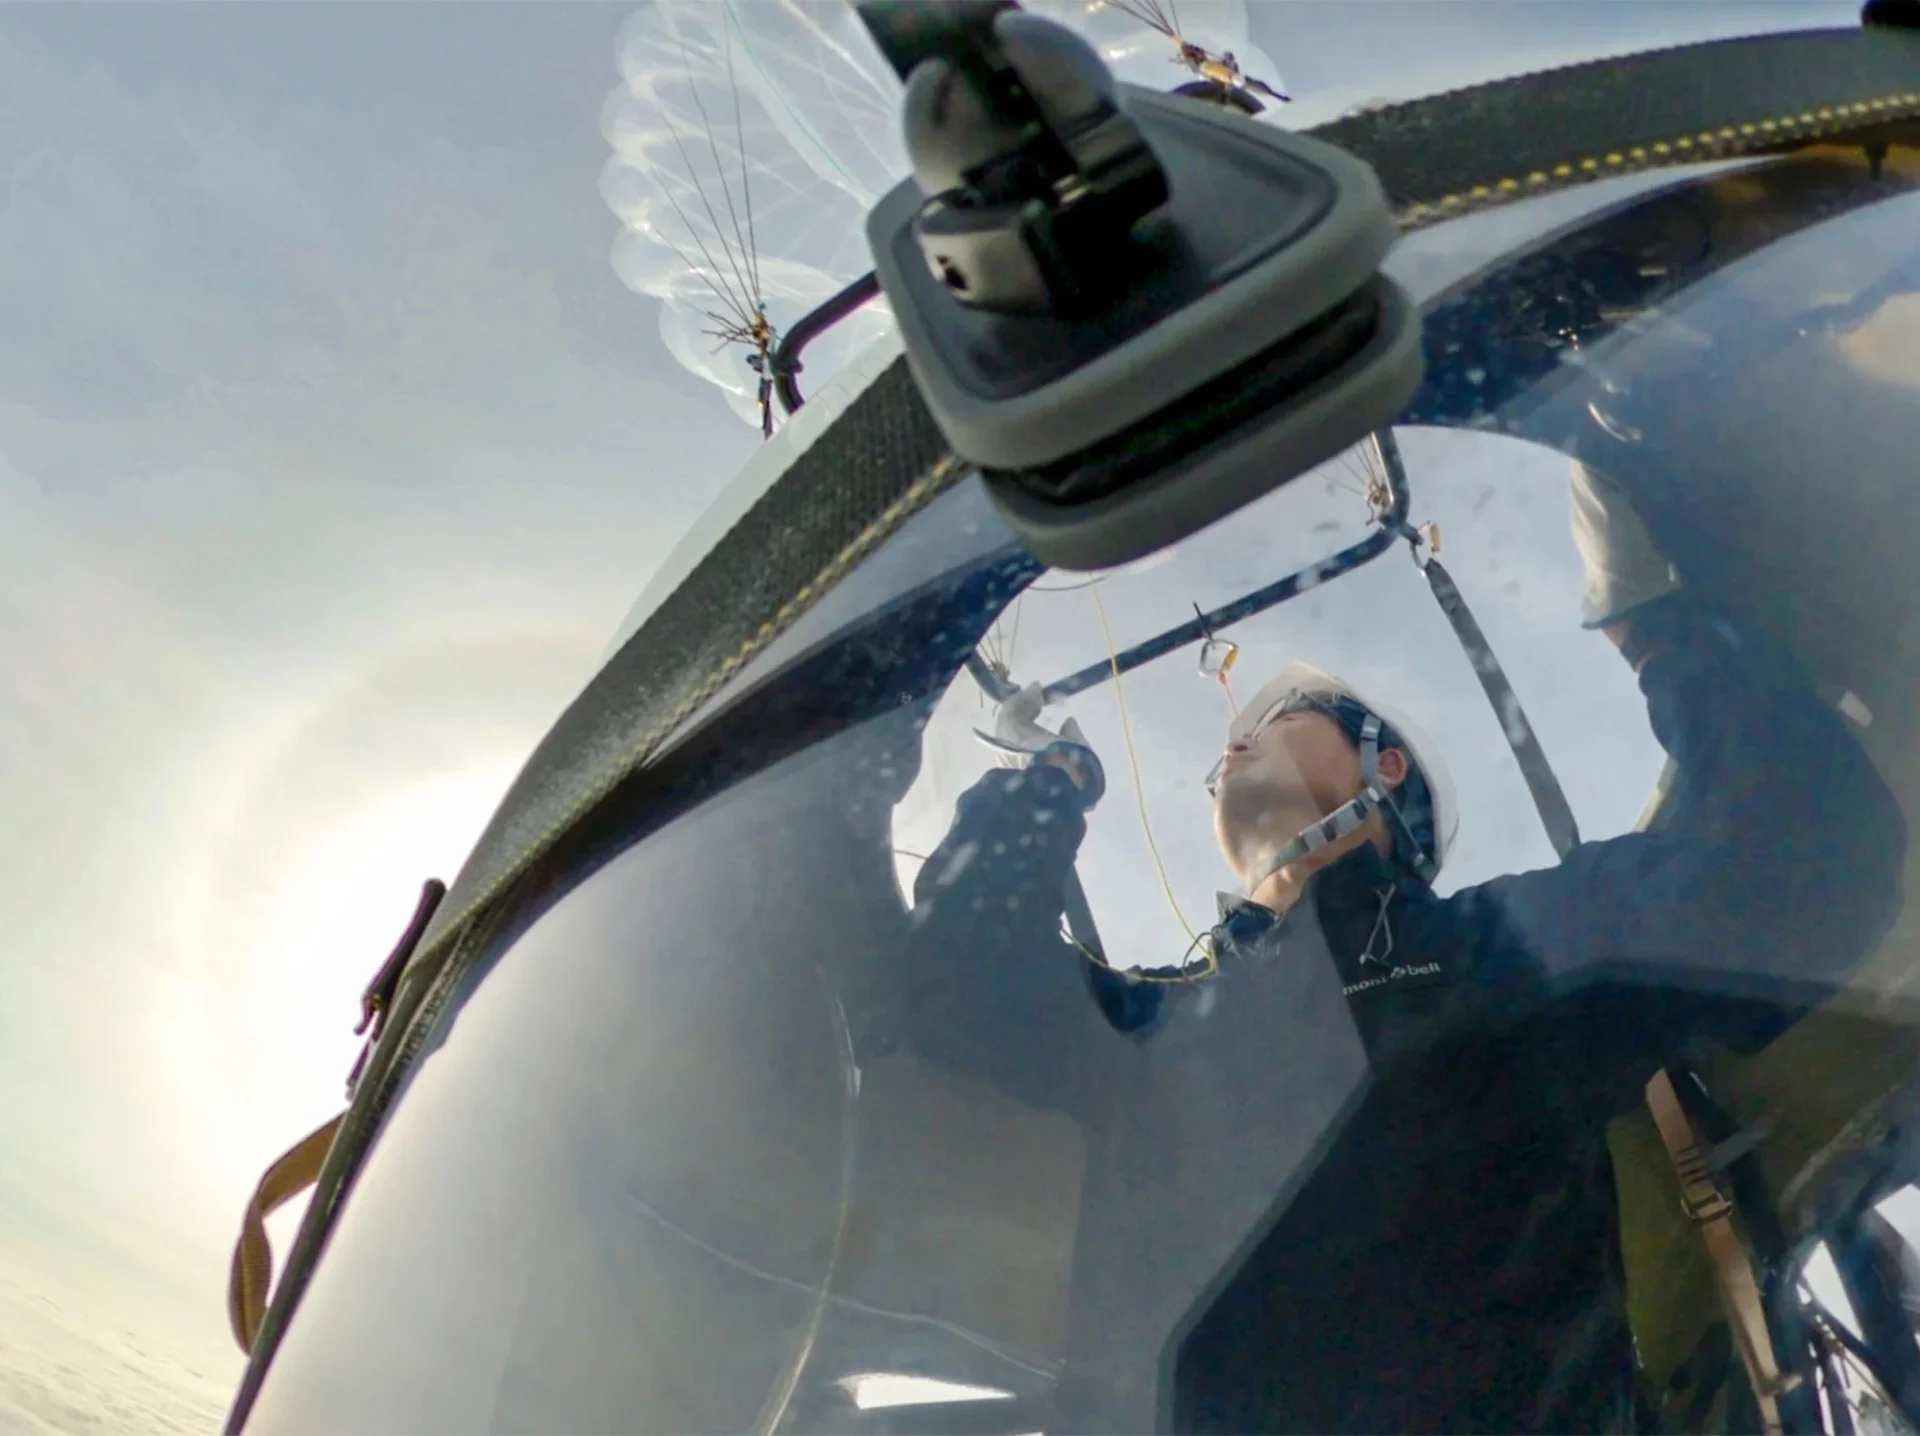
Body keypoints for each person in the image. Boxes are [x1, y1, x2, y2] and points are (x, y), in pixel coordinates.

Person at [903, 462, 1908, 1433]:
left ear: (1383, 765)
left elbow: (1795, 873)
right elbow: (954, 980)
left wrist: (1654, 626)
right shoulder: (1149, 1019)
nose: (1232, 742)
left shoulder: (1494, 945)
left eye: (1282, 713)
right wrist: (1049, 785)